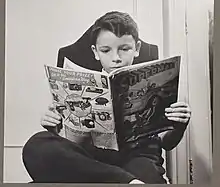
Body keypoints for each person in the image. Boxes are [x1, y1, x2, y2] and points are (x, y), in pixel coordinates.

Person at [22, 11, 191, 184]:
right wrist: (54, 125)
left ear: (137, 49)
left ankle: (119, 179)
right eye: (106, 50)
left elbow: (166, 143)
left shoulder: (157, 83)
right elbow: (68, 138)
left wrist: (179, 127)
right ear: (95, 52)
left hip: (138, 155)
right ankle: (125, 181)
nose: (115, 58)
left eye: (125, 49)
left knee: (147, 174)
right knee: (36, 145)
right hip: (92, 156)